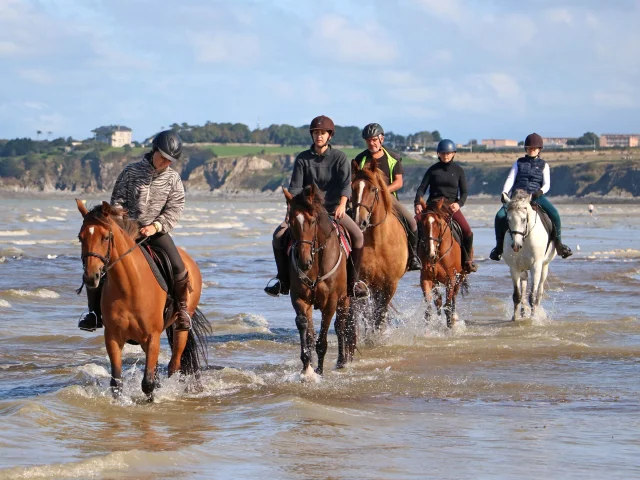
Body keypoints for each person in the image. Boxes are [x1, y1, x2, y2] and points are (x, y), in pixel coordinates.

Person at [78, 130, 192, 332]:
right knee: (96, 263)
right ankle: (94, 313)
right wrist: (124, 225)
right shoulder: (131, 172)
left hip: (156, 231)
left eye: (170, 161)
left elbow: (175, 209)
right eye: (163, 158)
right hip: (125, 231)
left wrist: (156, 226)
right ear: (154, 150)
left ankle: (182, 310)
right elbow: (118, 202)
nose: (166, 163)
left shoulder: (174, 180)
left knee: (178, 266)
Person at [264, 115, 367, 298]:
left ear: (330, 136)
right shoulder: (303, 159)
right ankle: (283, 280)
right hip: (307, 212)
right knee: (278, 236)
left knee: (358, 236)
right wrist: (290, 213)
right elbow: (295, 188)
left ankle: (354, 283)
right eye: (316, 133)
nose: (319, 136)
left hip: (334, 210)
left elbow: (345, 185)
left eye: (323, 133)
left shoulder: (340, 158)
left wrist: (343, 205)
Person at [489, 133, 573, 261]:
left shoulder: (544, 165)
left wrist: (540, 192)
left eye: (534, 148)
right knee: (499, 216)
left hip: (535, 196)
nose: (531, 150)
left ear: (539, 149)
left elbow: (547, 184)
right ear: (526, 149)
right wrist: (505, 192)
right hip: (517, 196)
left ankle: (559, 245)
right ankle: (499, 248)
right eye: (529, 148)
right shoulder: (518, 163)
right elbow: (511, 178)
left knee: (555, 214)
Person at [353, 123, 421, 271]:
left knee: (412, 223)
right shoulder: (361, 159)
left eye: (374, 140)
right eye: (368, 140)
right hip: (365, 199)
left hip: (389, 198)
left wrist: (383, 191)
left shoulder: (393, 157)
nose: (372, 143)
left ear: (381, 139)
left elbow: (399, 182)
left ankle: (413, 256)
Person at [414, 139, 477, 273]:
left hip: (450, 207)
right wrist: (417, 203)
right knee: (414, 225)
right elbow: (421, 188)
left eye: (448, 153)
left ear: (453, 153)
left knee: (467, 231)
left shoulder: (459, 170)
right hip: (432, 206)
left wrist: (458, 204)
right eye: (443, 153)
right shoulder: (433, 170)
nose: (446, 155)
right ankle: (413, 258)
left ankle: (467, 261)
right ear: (438, 154)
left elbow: (464, 192)